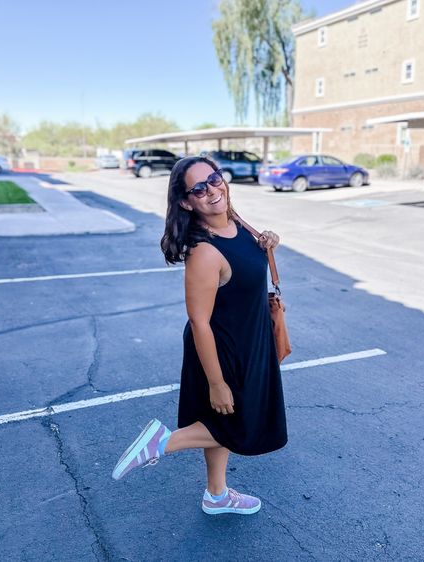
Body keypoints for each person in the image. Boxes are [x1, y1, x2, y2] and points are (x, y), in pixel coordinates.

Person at [112, 156, 288, 515]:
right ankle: (162, 443)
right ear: (186, 202)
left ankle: (217, 493)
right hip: (225, 350)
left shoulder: (236, 224)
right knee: (243, 422)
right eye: (199, 188)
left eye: (214, 178)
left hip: (248, 340)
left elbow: (248, 272)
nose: (212, 189)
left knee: (223, 421)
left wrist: (268, 242)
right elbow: (199, 322)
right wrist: (217, 382)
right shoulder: (205, 253)